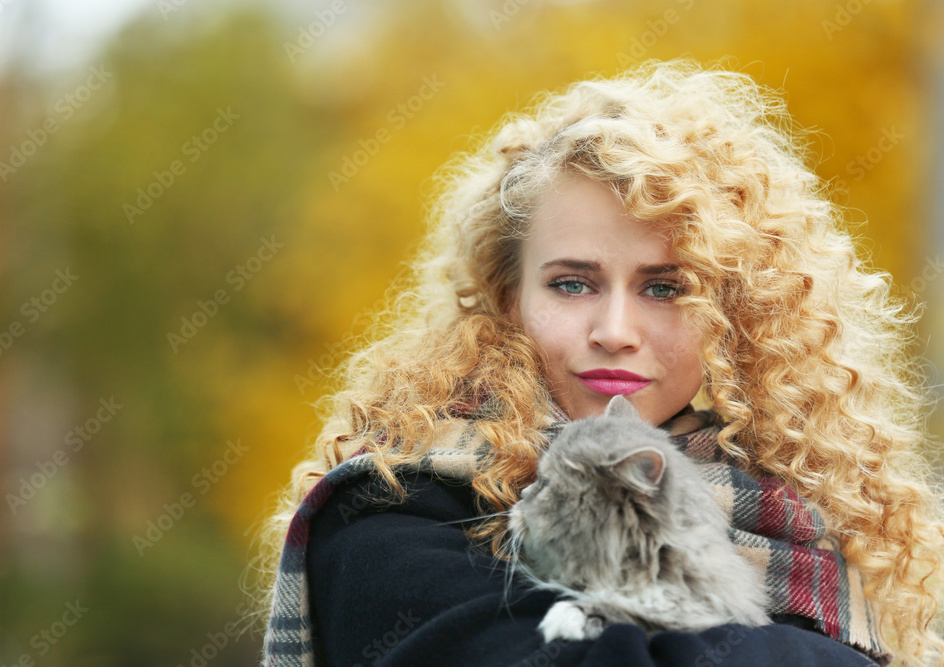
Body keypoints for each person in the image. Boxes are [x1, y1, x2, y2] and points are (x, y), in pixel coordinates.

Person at [257, 59, 944, 666]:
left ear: (736, 313)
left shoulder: (803, 530)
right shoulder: (394, 507)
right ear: (508, 298)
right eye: (572, 284)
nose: (615, 331)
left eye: (665, 288)